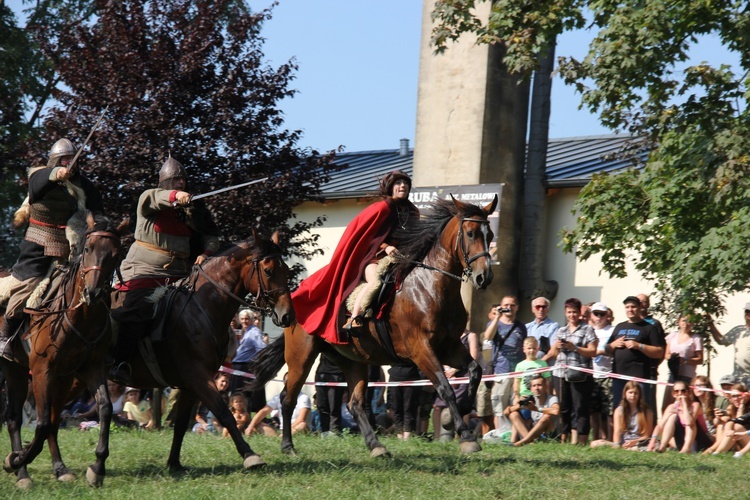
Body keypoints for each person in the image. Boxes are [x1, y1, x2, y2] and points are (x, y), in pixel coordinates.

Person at [110, 156, 220, 378]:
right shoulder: (149, 198)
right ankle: (120, 363)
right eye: (175, 180)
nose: (180, 183)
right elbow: (159, 197)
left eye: (183, 180)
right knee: (136, 307)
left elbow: (211, 237)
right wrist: (176, 196)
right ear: (165, 182)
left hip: (182, 274)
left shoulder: (193, 208)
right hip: (145, 270)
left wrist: (205, 253)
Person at [0, 138, 104, 359]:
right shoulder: (39, 175)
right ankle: (5, 336)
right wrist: (56, 174)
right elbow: (38, 183)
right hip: (38, 244)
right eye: (65, 159)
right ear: (56, 160)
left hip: (72, 247)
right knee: (29, 284)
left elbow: (98, 211)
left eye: (72, 159)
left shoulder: (84, 186)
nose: (69, 163)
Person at [291, 170, 419, 342]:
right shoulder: (382, 208)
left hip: (400, 259)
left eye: (405, 183)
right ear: (391, 187)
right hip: (373, 258)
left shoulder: (413, 211)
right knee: (376, 281)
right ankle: (354, 319)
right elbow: (367, 238)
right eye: (398, 183)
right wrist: (386, 247)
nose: (402, 186)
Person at [548, 297, 598, 445]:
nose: (572, 315)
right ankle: (565, 438)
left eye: (574, 312)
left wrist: (574, 348)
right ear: (565, 313)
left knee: (580, 408)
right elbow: (554, 354)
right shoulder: (561, 330)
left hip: (580, 375)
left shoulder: (587, 329)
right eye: (569, 312)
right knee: (564, 407)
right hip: (560, 374)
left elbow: (593, 351)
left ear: (579, 313)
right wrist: (557, 346)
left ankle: (582, 440)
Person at [604, 296, 665, 413]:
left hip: (639, 377)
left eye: (633, 307)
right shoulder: (619, 327)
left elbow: (659, 352)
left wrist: (639, 346)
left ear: (640, 307)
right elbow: (607, 349)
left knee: (640, 410)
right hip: (619, 376)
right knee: (619, 409)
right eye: (627, 307)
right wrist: (614, 344)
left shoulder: (649, 328)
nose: (630, 310)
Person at [483, 297, 527, 431]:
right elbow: (488, 336)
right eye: (506, 305)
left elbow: (524, 346)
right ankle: (500, 434)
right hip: (501, 371)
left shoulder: (521, 326)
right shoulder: (495, 323)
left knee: (515, 406)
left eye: (512, 305)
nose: (509, 307)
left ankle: (512, 435)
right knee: (499, 408)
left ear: (517, 307)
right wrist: (497, 317)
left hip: (517, 373)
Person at [433, 323, 480, 441]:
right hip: (447, 375)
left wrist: (454, 370)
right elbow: (441, 355)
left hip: (463, 376)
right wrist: (447, 370)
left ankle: (461, 436)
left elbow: (473, 357)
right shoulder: (448, 337)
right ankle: (437, 437)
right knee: (437, 407)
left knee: (460, 407)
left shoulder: (471, 336)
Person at [650, 380, 713, 453]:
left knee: (690, 421)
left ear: (688, 392)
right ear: (673, 394)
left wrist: (684, 406)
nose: (680, 393)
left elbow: (689, 422)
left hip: (700, 440)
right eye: (676, 391)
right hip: (683, 438)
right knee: (672, 417)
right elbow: (660, 426)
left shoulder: (695, 405)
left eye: (683, 391)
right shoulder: (671, 407)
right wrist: (652, 440)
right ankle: (662, 446)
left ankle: (686, 448)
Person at [591, 380, 653, 450]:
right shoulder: (619, 410)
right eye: (630, 392)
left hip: (639, 442)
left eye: (636, 393)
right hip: (623, 443)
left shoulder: (647, 411)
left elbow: (646, 435)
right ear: (625, 394)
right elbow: (617, 431)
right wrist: (617, 444)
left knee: (650, 446)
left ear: (639, 395)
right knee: (595, 444)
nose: (633, 395)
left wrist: (634, 441)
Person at [661, 315, 703, 412]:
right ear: (678, 322)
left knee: (685, 406)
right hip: (673, 374)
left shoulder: (696, 338)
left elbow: (700, 359)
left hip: (687, 376)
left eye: (689, 321)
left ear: (692, 323)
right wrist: (673, 359)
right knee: (667, 405)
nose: (686, 323)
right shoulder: (672, 336)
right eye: (684, 320)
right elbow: (666, 354)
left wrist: (684, 360)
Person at [245, 374, 312, 437]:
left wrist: (287, 431)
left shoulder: (304, 397)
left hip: (296, 428)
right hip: (282, 430)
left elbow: (301, 419)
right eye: (287, 381)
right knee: (258, 425)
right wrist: (250, 426)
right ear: (284, 382)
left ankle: (284, 436)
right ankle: (279, 437)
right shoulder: (278, 397)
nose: (290, 383)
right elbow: (264, 411)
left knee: (302, 425)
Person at [504, 374, 559, 447]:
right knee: (513, 414)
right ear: (531, 389)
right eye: (534, 386)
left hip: (549, 432)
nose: (536, 388)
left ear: (545, 386)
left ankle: (522, 442)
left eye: (539, 385)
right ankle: (530, 443)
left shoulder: (551, 398)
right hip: (534, 432)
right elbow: (506, 412)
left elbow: (556, 411)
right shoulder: (530, 399)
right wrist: (520, 404)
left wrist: (536, 409)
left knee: (546, 417)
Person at [231, 309, 267, 413]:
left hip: (245, 366)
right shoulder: (245, 331)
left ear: (251, 319)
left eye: (247, 319)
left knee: (242, 394)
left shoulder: (254, 332)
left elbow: (261, 348)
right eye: (242, 319)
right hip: (238, 367)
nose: (244, 321)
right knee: (238, 395)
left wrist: (261, 364)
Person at [708, 303, 750, 388]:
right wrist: (710, 324)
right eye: (747, 312)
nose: (748, 315)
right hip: (739, 376)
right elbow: (721, 341)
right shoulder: (738, 330)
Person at [637, 293, 666, 414]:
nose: (642, 304)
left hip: (649, 370)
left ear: (648, 304)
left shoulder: (654, 324)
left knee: (648, 404)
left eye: (645, 301)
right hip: (632, 370)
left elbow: (662, 348)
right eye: (639, 301)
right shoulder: (630, 323)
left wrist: (655, 364)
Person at [590, 302, 614, 440]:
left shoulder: (613, 330)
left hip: (608, 373)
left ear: (607, 316)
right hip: (592, 373)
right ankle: (596, 437)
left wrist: (598, 351)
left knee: (609, 410)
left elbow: (614, 350)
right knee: (594, 410)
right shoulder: (588, 330)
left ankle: (610, 438)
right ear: (591, 315)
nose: (599, 317)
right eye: (596, 313)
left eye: (602, 314)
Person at [709, 383, 749, 455]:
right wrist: (718, 418)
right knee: (722, 423)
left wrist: (742, 404)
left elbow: (739, 422)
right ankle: (715, 450)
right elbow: (718, 423)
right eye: (733, 396)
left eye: (738, 395)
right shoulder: (731, 408)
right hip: (737, 439)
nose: (736, 399)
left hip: (747, 441)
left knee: (737, 426)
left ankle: (717, 452)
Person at [388, 362, 422, 441]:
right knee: (396, 408)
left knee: (409, 408)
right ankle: (399, 436)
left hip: (411, 377)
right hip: (394, 378)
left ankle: (407, 438)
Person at [315, 352, 346, 437]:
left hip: (337, 374)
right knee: (321, 406)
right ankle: (324, 431)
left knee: (334, 407)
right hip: (321, 373)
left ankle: (334, 432)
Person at [525, 297, 558, 362]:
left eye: (544, 307)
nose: (541, 309)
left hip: (544, 367)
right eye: (538, 307)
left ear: (548, 309)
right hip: (528, 367)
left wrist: (539, 364)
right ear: (533, 309)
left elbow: (553, 351)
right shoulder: (527, 327)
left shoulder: (554, 326)